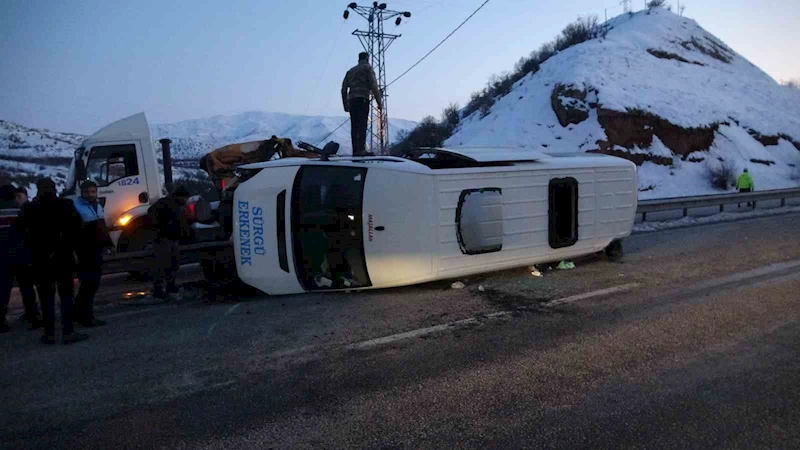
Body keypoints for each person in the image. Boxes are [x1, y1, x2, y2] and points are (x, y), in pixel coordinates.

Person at [17, 178, 88, 344]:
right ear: (54, 189)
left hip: (40, 259)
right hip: (63, 257)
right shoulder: (66, 205)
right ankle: (68, 331)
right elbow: (78, 231)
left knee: (45, 297)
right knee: (66, 295)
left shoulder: (29, 209)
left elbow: (21, 234)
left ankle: (49, 333)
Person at [1, 185, 42, 333]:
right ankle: (33, 316)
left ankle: (1, 322)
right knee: (27, 287)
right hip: (22, 254)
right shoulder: (20, 210)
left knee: (3, 289)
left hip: (3, 257)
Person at [72, 181, 113, 327]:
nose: (90, 194)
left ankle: (78, 313)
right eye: (87, 192)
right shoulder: (76, 207)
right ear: (82, 193)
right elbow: (74, 232)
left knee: (92, 284)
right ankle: (86, 317)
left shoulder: (97, 205)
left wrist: (109, 245)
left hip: (97, 250)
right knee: (88, 284)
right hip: (85, 251)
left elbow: (102, 227)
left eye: (92, 192)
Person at [148, 185, 191, 299]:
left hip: (170, 238)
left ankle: (168, 287)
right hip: (165, 238)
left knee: (172, 263)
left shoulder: (172, 204)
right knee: (164, 264)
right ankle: (160, 289)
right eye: (185, 198)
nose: (186, 200)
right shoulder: (167, 204)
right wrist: (160, 229)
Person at [341, 52, 383, 156]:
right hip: (363, 99)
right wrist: (379, 102)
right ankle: (361, 149)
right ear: (367, 58)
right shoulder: (367, 69)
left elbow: (343, 89)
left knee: (354, 126)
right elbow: (374, 86)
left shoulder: (350, 71)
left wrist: (345, 104)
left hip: (352, 101)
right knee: (362, 124)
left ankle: (355, 150)